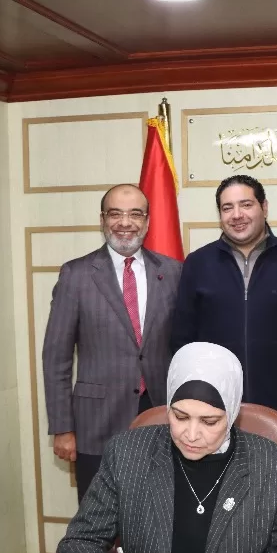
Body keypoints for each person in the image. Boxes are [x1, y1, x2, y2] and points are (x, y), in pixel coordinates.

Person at [55, 342, 277, 553]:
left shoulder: (276, 467)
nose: (191, 434)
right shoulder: (127, 453)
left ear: (232, 413)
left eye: (209, 422)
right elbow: (76, 545)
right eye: (180, 416)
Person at [42, 183, 183, 502]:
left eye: (135, 214)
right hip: (96, 422)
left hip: (159, 415)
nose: (125, 222)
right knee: (99, 517)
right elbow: (56, 358)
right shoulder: (76, 274)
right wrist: (63, 427)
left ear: (147, 221)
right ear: (102, 219)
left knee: (157, 512)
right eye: (115, 214)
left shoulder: (173, 272)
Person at [171, 175, 277, 445]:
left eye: (246, 205)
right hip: (212, 411)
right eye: (227, 208)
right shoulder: (198, 264)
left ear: (264, 207)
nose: (237, 215)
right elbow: (182, 343)